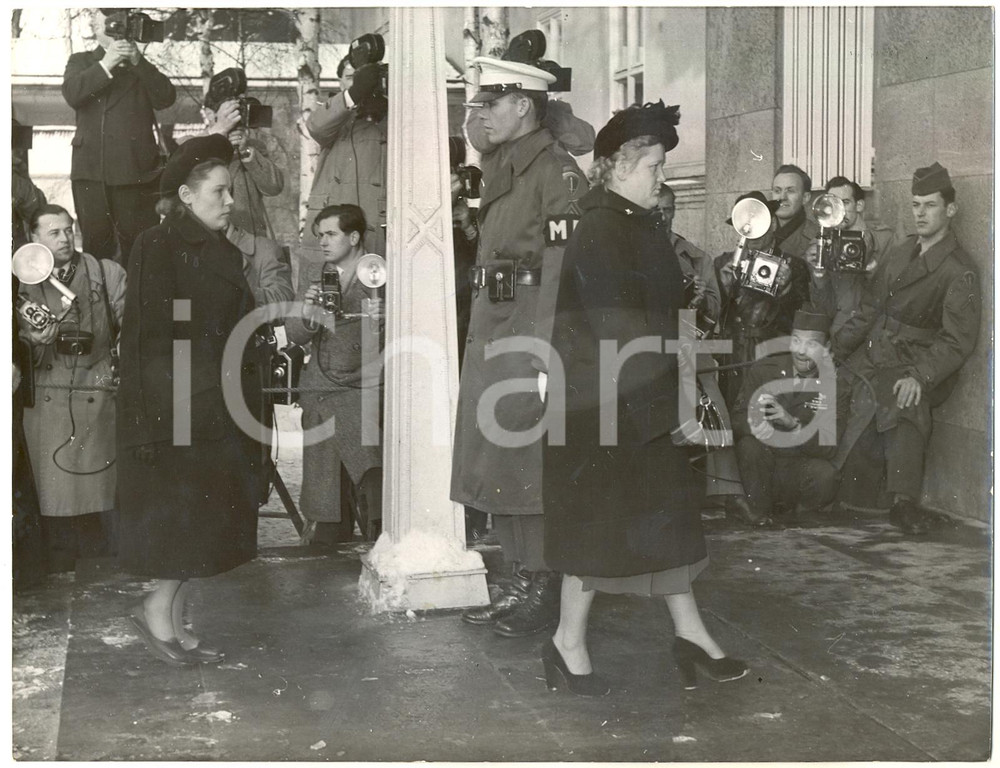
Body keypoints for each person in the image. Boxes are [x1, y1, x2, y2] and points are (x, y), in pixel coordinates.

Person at [542, 101, 747, 696]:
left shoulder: (630, 223)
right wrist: (670, 406)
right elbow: (619, 333)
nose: (663, 176)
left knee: (663, 520)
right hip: (605, 412)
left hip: (633, 403)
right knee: (599, 531)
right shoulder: (605, 229)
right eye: (654, 166)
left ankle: (692, 638)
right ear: (619, 166)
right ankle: (566, 643)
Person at [451, 53, 587, 638]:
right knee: (495, 460)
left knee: (526, 465)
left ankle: (540, 583)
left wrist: (546, 355)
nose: (480, 115)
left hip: (528, 334)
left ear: (524, 106)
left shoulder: (556, 174)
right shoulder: (506, 164)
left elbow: (563, 269)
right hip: (494, 328)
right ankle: (517, 579)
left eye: (491, 104)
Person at [117, 135, 263, 665]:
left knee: (199, 526)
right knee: (186, 525)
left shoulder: (218, 247)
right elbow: (144, 338)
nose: (229, 201)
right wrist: (151, 423)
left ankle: (172, 623)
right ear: (185, 193)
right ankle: (156, 613)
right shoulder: (158, 245)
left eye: (230, 191)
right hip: (180, 409)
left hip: (214, 405)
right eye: (220, 191)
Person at [832, 163, 980, 535]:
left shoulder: (958, 269)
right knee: (837, 407)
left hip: (916, 360)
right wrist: (835, 348)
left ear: (950, 210)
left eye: (930, 205)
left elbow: (956, 340)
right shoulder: (900, 252)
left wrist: (920, 375)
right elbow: (869, 308)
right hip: (876, 351)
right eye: (915, 205)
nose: (920, 213)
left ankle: (905, 502)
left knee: (904, 401)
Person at [16, 205, 125, 573]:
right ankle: (58, 573)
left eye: (68, 230)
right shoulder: (18, 284)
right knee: (55, 502)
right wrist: (31, 341)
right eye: (53, 233)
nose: (64, 239)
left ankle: (100, 572)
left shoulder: (105, 273)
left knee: (99, 503)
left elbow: (132, 325)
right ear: (32, 238)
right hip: (49, 400)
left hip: (97, 393)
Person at [285, 204, 385, 545]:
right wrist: (309, 314)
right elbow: (295, 334)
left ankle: (373, 518)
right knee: (329, 413)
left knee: (356, 421)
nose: (323, 242)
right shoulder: (316, 275)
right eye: (320, 235)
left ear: (354, 237)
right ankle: (330, 520)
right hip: (322, 380)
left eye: (331, 234)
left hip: (363, 380)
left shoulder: (377, 274)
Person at [62, 11, 176, 264]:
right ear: (97, 28)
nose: (117, 28)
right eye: (110, 22)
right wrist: (106, 64)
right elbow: (72, 94)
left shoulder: (140, 67)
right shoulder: (81, 61)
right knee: (96, 248)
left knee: (141, 250)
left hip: (136, 174)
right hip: (91, 173)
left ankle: (137, 303)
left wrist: (137, 61)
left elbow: (166, 97)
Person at [731, 308, 852, 526]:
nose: (801, 351)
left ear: (826, 349)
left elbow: (828, 448)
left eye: (811, 344)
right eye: (796, 341)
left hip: (798, 468)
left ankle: (798, 512)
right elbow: (737, 419)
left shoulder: (836, 387)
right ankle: (759, 511)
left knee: (826, 475)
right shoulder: (764, 370)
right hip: (762, 466)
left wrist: (793, 424)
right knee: (749, 446)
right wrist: (758, 425)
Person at [303, 55, 387, 261]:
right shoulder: (334, 112)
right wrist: (354, 94)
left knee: (375, 285)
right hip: (331, 224)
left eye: (367, 79)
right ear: (340, 81)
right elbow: (316, 126)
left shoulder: (391, 114)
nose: (361, 85)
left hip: (374, 224)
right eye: (352, 77)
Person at [806, 176, 897, 333]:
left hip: (876, 330)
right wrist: (818, 275)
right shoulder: (822, 243)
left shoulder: (884, 239)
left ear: (859, 205)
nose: (839, 211)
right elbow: (823, 307)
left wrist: (873, 273)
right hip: (839, 330)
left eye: (845, 203)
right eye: (832, 204)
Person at [201, 74, 284, 238]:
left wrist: (246, 152)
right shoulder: (193, 145)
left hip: (250, 240)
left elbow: (274, 187)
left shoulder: (255, 148)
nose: (235, 117)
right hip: (208, 240)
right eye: (229, 112)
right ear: (211, 114)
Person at [771, 164, 820, 260]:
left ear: (805, 198)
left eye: (790, 191)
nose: (782, 197)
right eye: (777, 191)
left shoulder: (817, 237)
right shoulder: (759, 230)